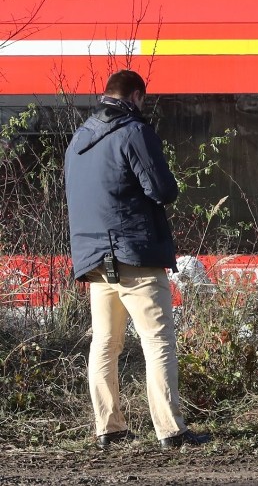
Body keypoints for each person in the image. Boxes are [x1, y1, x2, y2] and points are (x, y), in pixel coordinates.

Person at [64, 69, 210, 450]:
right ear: (137, 97)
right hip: (134, 255)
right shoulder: (133, 131)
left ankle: (107, 428)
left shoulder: (79, 138)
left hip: (94, 261)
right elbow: (162, 189)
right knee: (158, 340)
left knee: (105, 342)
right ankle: (171, 431)